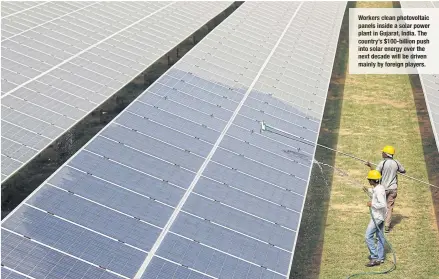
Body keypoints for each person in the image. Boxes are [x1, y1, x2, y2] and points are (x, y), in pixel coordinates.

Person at [365, 145, 406, 232]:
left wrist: (370, 165)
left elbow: (375, 174)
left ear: (387, 154)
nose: (382, 153)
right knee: (389, 206)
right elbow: (403, 171)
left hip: (384, 189)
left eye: (383, 152)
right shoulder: (396, 163)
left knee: (381, 204)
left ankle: (380, 222)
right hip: (393, 189)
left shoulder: (382, 163)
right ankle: (387, 225)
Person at [364, 170, 387, 267]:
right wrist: (368, 190)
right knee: (380, 237)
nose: (369, 181)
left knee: (368, 236)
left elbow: (382, 204)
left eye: (369, 180)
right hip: (381, 216)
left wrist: (371, 204)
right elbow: (375, 192)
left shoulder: (379, 191)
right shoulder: (379, 187)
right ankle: (380, 258)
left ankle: (374, 257)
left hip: (377, 217)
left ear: (373, 181)